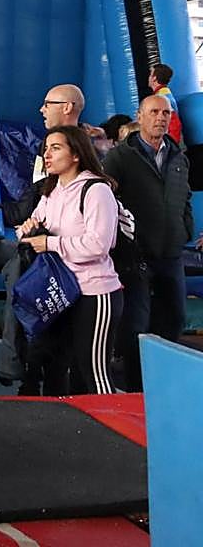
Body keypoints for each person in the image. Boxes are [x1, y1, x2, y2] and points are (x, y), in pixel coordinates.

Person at [16, 126, 124, 394]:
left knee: (92, 373)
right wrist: (27, 230)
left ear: (76, 154)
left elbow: (99, 244)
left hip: (94, 293)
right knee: (55, 367)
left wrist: (50, 243)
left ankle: (108, 419)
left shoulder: (97, 191)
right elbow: (27, 228)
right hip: (60, 293)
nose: (47, 155)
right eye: (46, 149)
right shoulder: (52, 191)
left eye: (55, 148)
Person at [104, 94, 193, 390]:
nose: (161, 118)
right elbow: (105, 199)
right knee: (136, 324)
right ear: (139, 117)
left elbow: (184, 197)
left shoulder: (178, 157)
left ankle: (163, 382)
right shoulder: (120, 157)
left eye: (166, 113)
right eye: (154, 112)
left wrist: (185, 229)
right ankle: (135, 387)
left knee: (175, 318)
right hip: (136, 255)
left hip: (171, 252)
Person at [148, 62, 182, 143]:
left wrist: (170, 146)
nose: (148, 77)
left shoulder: (162, 98)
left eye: (150, 75)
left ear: (154, 78)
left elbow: (174, 124)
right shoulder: (164, 93)